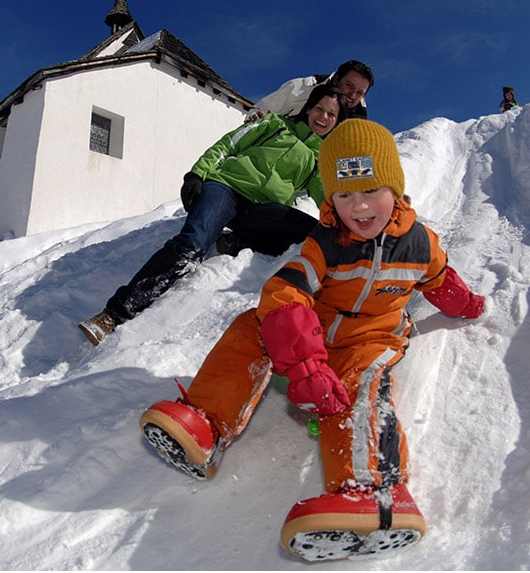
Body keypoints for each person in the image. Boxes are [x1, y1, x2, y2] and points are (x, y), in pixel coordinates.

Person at [137, 118, 486, 562]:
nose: (359, 207)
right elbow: (284, 294)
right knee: (255, 326)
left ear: (395, 189)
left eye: (371, 190)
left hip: (370, 340)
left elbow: (442, 283)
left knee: (364, 388)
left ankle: (372, 490)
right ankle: (206, 424)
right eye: (344, 194)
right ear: (330, 199)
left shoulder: (422, 245)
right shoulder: (324, 242)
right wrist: (304, 363)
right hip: (313, 337)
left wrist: (470, 305)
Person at [78, 83, 350, 346]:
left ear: (337, 121)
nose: (323, 117)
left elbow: (324, 196)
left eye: (331, 114)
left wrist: (348, 219)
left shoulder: (318, 158)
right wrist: (197, 174)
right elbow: (228, 144)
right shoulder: (273, 125)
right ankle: (113, 315)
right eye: (319, 108)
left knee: (308, 230)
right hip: (226, 189)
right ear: (309, 108)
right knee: (192, 245)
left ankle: (237, 242)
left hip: (261, 209)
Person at [248, 59, 374, 122]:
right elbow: (258, 111)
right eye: (349, 86)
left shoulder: (358, 122)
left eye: (359, 93)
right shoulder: (300, 89)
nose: (352, 95)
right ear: (336, 79)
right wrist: (258, 119)